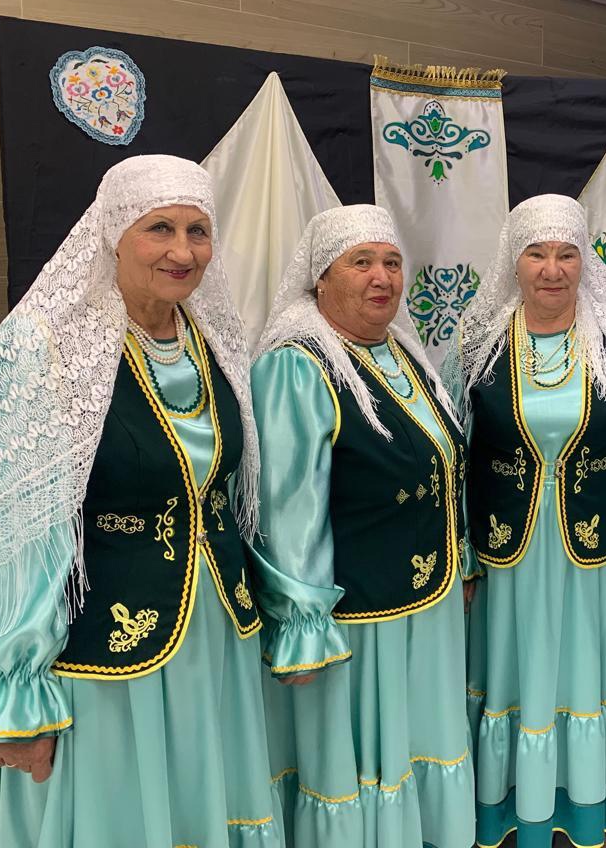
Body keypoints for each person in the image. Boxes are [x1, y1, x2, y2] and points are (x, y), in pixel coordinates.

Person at [0, 155, 280, 847]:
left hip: (215, 637)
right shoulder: (45, 345)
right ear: (112, 235)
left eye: (197, 231)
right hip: (102, 653)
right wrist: (17, 691)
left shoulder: (213, 339)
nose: (182, 251)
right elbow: (17, 531)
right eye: (160, 228)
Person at [449, 193, 606, 847]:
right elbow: (453, 453)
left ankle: (581, 797)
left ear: (585, 262)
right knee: (512, 673)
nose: (552, 269)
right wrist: (462, 550)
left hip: (592, 553)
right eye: (537, 254)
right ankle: (511, 797)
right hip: (507, 555)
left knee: (580, 673)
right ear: (513, 262)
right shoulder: (476, 345)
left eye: (566, 254)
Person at [251, 205, 474, 848]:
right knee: (356, 757)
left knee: (416, 742)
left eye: (392, 262)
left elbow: (444, 470)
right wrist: (301, 625)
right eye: (362, 263)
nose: (382, 277)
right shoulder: (297, 367)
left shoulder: (402, 351)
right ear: (321, 278)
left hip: (424, 604)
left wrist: (458, 558)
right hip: (353, 617)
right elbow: (287, 508)